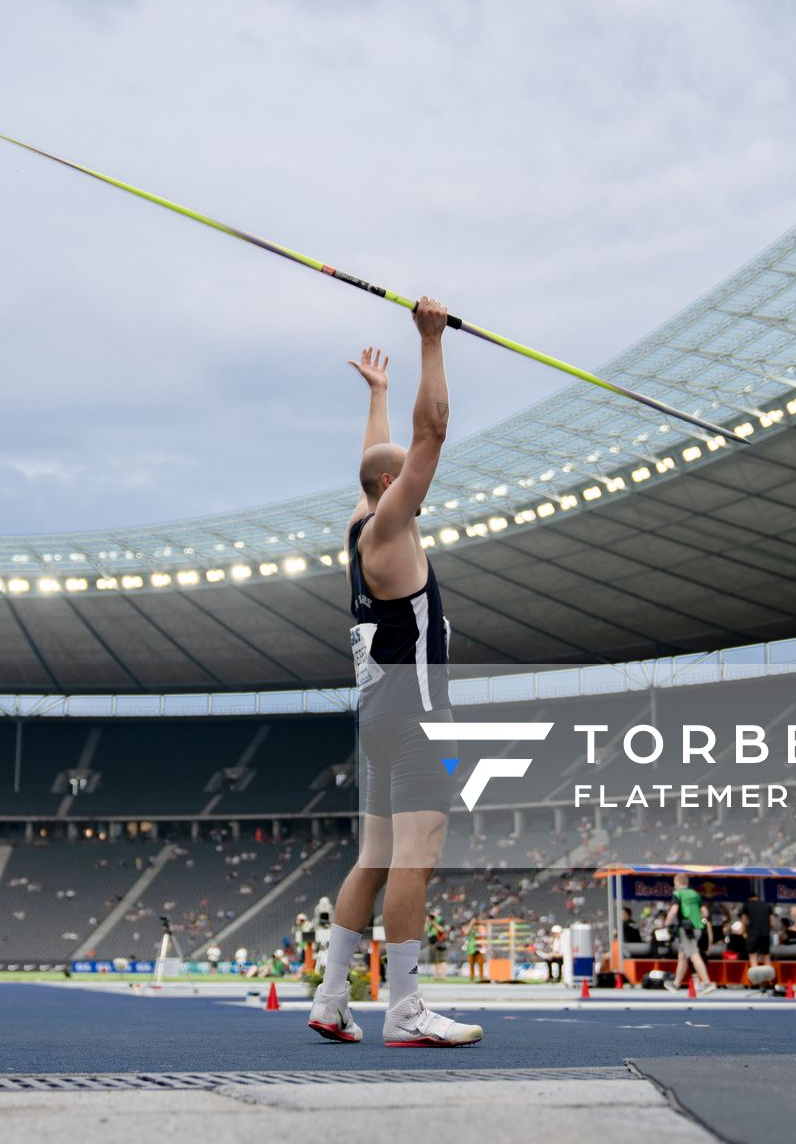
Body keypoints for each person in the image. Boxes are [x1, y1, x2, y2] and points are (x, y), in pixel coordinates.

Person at [309, 300, 481, 1048]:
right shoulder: (387, 530)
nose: (417, 484)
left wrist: (377, 395)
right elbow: (430, 433)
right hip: (414, 718)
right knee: (418, 856)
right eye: (405, 482)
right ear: (394, 492)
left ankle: (327, 997)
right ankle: (406, 1009)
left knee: (373, 859)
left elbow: (378, 460)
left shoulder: (358, 525)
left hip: (377, 718)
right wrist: (429, 342)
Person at [660, 876, 717, 996]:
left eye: (674, 882)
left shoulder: (677, 893)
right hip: (698, 928)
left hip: (686, 928)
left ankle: (707, 983)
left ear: (678, 882)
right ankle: (676, 984)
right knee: (682, 955)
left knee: (693, 954)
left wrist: (666, 923)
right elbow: (705, 913)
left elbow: (674, 910)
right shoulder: (695, 894)